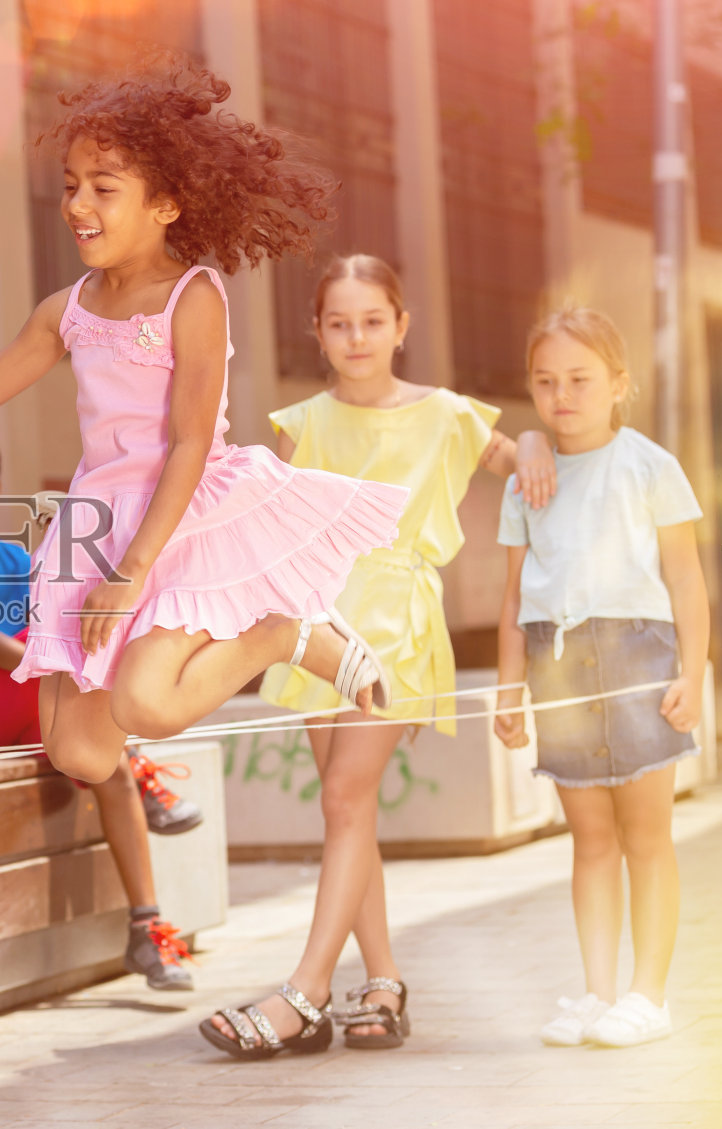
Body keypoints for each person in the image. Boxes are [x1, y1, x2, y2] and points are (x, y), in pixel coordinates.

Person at [0, 60, 411, 1054]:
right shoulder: (66, 309)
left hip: (175, 516)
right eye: (70, 184)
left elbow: (192, 442)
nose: (77, 203)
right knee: (80, 749)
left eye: (102, 187)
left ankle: (283, 627)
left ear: (164, 204)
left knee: (153, 705)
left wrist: (130, 572)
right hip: (93, 525)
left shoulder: (192, 296)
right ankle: (248, 650)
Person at [206, 255, 557, 1056]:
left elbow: (511, 454)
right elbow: (281, 531)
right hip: (320, 621)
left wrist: (534, 437)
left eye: (373, 320)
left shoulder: (445, 413)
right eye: (339, 322)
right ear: (317, 333)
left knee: (342, 800)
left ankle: (307, 991)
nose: (357, 336)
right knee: (347, 810)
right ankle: (385, 981)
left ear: (401, 325)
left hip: (395, 619)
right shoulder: (304, 422)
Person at [0, 424, 200, 989]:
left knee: (106, 760)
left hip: (25, 704)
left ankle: (146, 928)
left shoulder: (11, 558)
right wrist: (58, 666)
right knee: (76, 690)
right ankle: (139, 767)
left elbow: (50, 623)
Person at [494, 308, 707, 1048]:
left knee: (646, 834)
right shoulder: (528, 480)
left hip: (639, 658)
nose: (562, 395)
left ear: (619, 384)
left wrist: (694, 673)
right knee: (589, 839)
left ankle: (649, 995)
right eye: (546, 381)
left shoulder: (651, 465)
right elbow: (514, 595)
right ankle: (596, 991)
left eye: (581, 379)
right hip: (558, 663)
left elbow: (686, 580)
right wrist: (509, 685)